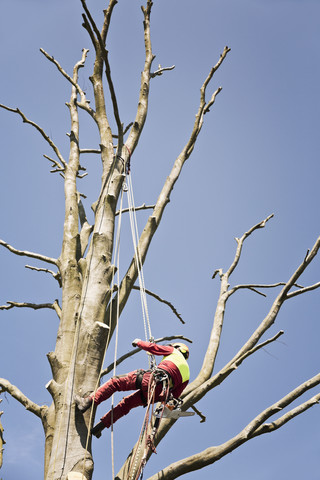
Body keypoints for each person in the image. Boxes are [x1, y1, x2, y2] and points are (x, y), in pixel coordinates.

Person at [74, 339, 190, 438]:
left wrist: (139, 342)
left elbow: (154, 348)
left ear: (178, 348)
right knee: (126, 405)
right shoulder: (187, 375)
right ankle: (100, 427)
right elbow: (175, 396)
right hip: (156, 395)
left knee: (115, 382)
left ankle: (87, 402)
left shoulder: (174, 352)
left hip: (151, 380)